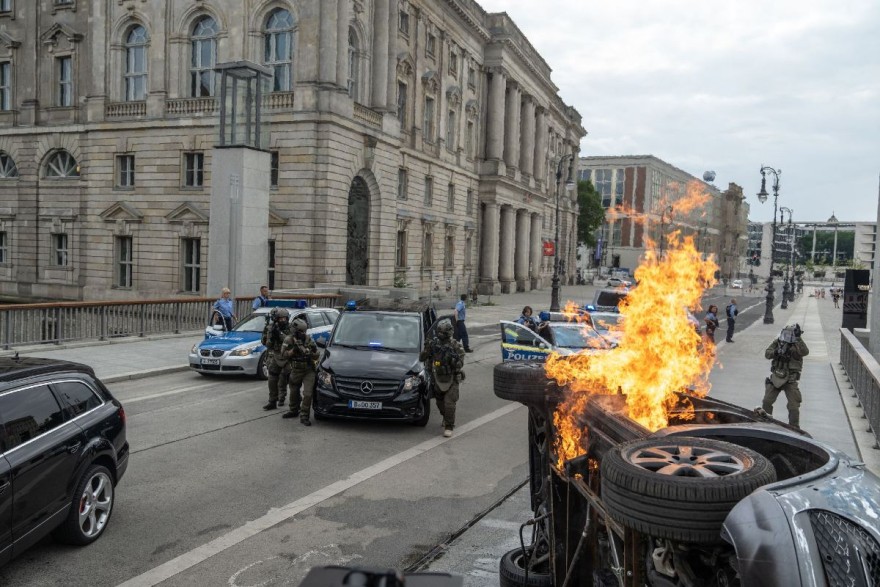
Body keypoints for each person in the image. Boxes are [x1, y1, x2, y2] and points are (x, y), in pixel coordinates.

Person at [420, 318, 465, 437]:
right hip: (437, 378)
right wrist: (427, 348)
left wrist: (451, 358)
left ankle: (449, 426)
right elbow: (422, 358)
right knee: (440, 404)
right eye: (439, 332)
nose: (441, 335)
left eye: (443, 332)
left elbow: (460, 363)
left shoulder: (456, 346)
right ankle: (446, 417)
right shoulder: (434, 344)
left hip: (452, 378)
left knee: (449, 403)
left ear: (449, 332)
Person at [762, 324, 810, 428]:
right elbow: (767, 353)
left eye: (790, 334)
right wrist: (776, 352)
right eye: (786, 334)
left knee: (793, 407)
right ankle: (765, 423)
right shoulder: (778, 342)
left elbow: (805, 352)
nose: (787, 337)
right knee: (767, 401)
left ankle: (794, 427)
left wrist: (798, 338)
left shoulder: (797, 345)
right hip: (776, 377)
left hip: (790, 380)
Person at [281, 318, 319, 426]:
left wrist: (311, 352)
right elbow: (283, 354)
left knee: (308, 394)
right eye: (300, 331)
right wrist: (293, 351)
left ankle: (304, 415)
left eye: (304, 331)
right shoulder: (288, 340)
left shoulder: (308, 339)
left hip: (308, 370)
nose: (303, 333)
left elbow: (317, 354)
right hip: (296, 370)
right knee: (294, 392)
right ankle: (293, 410)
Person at [261, 308, 293, 410]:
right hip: (276, 354)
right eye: (280, 319)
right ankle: (272, 401)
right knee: (272, 378)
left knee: (292, 379)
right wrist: (271, 336)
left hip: (288, 356)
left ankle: (294, 403)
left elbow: (291, 342)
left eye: (284, 318)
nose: (282, 321)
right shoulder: (271, 327)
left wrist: (280, 334)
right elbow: (266, 343)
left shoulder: (291, 328)